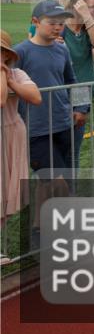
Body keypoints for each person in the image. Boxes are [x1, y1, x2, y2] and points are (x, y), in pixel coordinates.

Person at [14, 1, 83, 172]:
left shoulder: (63, 50)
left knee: (58, 180)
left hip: (63, 123)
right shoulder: (20, 52)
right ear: (35, 22)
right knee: (55, 182)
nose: (57, 27)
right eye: (51, 23)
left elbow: (71, 80)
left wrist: (82, 107)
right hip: (36, 128)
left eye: (61, 23)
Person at [1, 30, 41, 264]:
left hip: (11, 135)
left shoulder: (16, 73)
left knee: (6, 194)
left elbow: (35, 97)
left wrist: (11, 80)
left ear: (6, 54)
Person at [62, 0, 94, 171]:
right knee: (54, 147)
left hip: (82, 92)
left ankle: (70, 192)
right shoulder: (60, 27)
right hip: (59, 92)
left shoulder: (89, 27)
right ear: (77, 7)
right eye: (91, 7)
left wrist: (88, 18)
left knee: (74, 148)